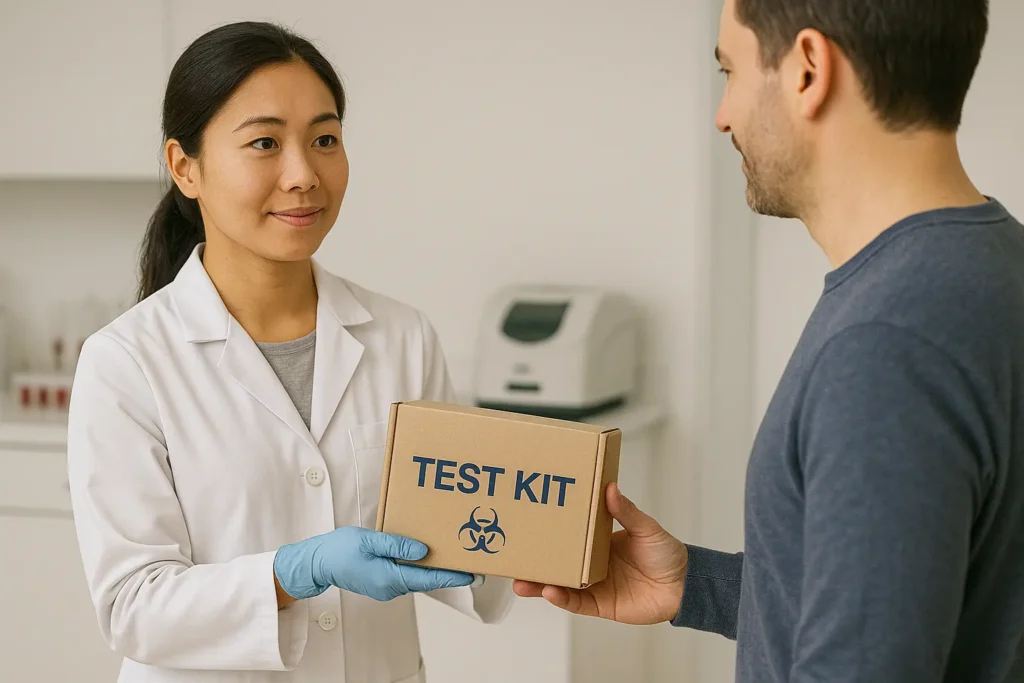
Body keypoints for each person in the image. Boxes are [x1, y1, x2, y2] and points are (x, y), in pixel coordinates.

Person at [514, 0, 1024, 681]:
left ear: (808, 69)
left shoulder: (886, 344)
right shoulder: (992, 266)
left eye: (730, 72)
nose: (722, 115)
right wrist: (698, 587)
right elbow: (922, 596)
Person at [66, 21, 512, 683]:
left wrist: (530, 529)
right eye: (265, 143)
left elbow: (465, 545)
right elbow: (133, 606)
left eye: (325, 139)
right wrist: (293, 573)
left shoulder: (402, 337)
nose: (304, 174)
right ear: (184, 166)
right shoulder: (126, 362)